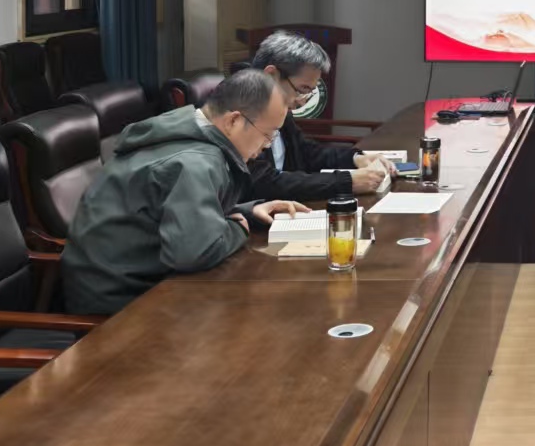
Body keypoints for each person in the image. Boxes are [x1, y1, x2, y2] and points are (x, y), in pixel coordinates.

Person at [62, 69, 306, 315]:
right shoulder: (195, 162)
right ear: (234, 121)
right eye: (267, 135)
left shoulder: (187, 130)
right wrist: (237, 228)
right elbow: (194, 253)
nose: (267, 147)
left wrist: (248, 211)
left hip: (136, 281)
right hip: (118, 303)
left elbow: (177, 215)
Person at [246, 31, 389, 202]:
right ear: (271, 76)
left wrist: (356, 158)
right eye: (302, 89)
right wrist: (346, 182)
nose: (303, 100)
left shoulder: (279, 108)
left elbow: (308, 153)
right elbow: (263, 182)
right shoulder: (240, 111)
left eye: (310, 92)